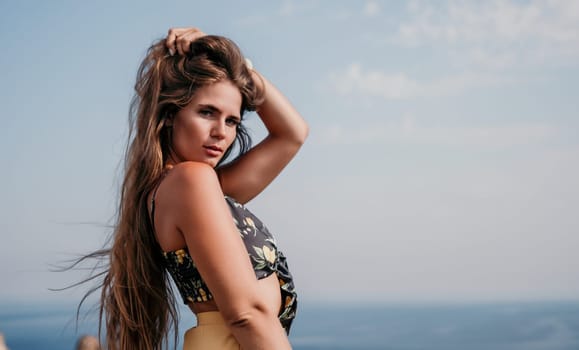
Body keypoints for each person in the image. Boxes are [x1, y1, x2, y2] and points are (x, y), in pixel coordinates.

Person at [78, 27, 308, 349]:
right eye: (207, 112)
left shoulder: (186, 187)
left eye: (232, 121)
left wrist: (241, 68)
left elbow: (292, 134)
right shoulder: (190, 182)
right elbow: (247, 314)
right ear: (171, 114)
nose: (221, 133)